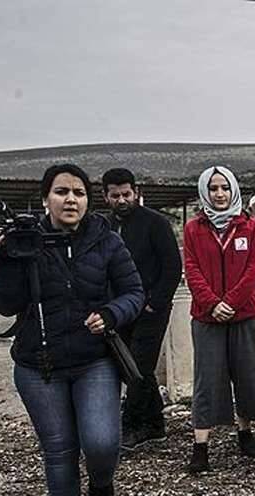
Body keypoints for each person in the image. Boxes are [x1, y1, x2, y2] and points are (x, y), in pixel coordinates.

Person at [0, 163, 144, 496]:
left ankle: (102, 487)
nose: (70, 199)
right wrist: (5, 259)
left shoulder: (106, 241)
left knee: (102, 442)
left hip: (93, 361)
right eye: (61, 192)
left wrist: (111, 313)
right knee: (58, 450)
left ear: (88, 200)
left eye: (78, 192)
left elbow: (133, 292)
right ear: (45, 199)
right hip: (39, 365)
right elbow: (5, 305)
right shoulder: (25, 242)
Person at [182, 166, 255, 473]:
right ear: (204, 192)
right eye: (213, 188)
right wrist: (211, 303)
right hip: (207, 318)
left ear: (233, 190)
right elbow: (191, 269)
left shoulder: (249, 227)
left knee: (245, 373)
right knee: (207, 378)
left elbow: (253, 270)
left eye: (224, 188)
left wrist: (231, 302)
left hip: (243, 313)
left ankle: (244, 431)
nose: (219, 194)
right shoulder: (194, 228)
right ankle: (201, 445)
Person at [101, 168, 182, 451]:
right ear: (106, 197)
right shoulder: (104, 227)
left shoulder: (155, 223)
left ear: (136, 193)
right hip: (119, 309)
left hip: (150, 308)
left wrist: (154, 303)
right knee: (131, 367)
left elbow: (172, 266)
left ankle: (132, 426)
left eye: (126, 194)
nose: (122, 200)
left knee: (138, 366)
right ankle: (155, 424)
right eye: (115, 196)